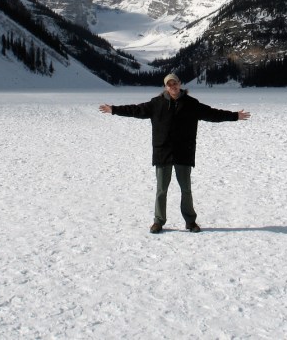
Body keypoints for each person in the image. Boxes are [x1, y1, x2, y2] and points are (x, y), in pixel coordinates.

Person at [99, 73, 251, 233]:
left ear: (180, 84)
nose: (173, 86)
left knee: (186, 189)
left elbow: (212, 114)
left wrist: (234, 116)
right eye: (169, 84)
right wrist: (114, 109)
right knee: (161, 190)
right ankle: (158, 221)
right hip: (162, 151)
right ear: (166, 86)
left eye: (175, 83)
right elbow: (136, 110)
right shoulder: (156, 104)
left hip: (184, 152)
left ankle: (190, 222)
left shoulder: (191, 104)